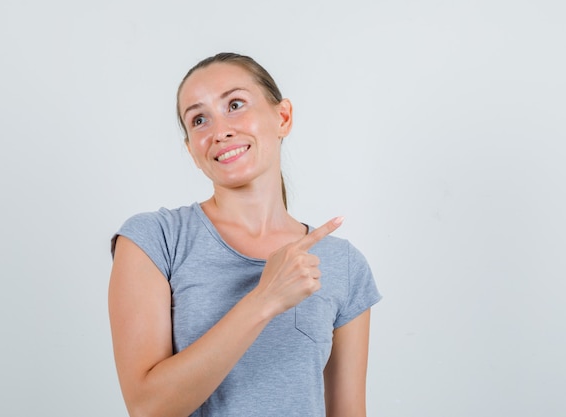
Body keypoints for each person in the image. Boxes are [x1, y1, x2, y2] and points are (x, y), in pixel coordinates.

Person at [108, 52, 381, 417]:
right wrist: (264, 300)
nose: (219, 131)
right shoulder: (154, 240)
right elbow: (147, 407)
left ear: (282, 117)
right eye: (199, 119)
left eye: (235, 104)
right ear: (192, 149)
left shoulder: (344, 264)